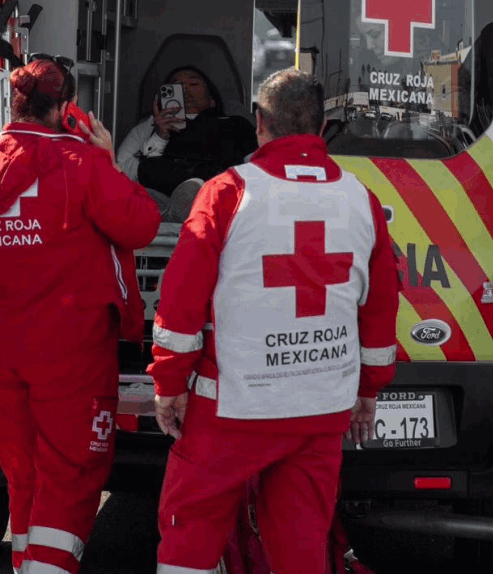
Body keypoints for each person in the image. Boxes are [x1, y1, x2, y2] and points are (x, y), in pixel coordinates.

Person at [147, 68, 401, 574]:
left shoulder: (226, 193)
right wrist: (368, 391)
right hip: (321, 408)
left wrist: (169, 381)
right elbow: (379, 310)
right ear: (323, 125)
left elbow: (181, 301)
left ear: (259, 123)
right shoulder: (361, 199)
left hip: (234, 409)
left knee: (190, 532)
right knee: (301, 544)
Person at [0, 57, 162, 574]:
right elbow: (142, 225)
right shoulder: (83, 164)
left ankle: (28, 565)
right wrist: (108, 158)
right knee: (71, 473)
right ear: (65, 107)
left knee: (24, 474)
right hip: (71, 351)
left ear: (15, 104)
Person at [117, 66, 258, 221]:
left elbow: (256, 167)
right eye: (176, 85)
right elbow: (126, 168)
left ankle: (181, 209)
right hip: (164, 187)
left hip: (213, 189)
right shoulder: (151, 126)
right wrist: (160, 135)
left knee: (195, 188)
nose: (184, 89)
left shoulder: (235, 124)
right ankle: (175, 211)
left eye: (193, 84)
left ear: (212, 100)